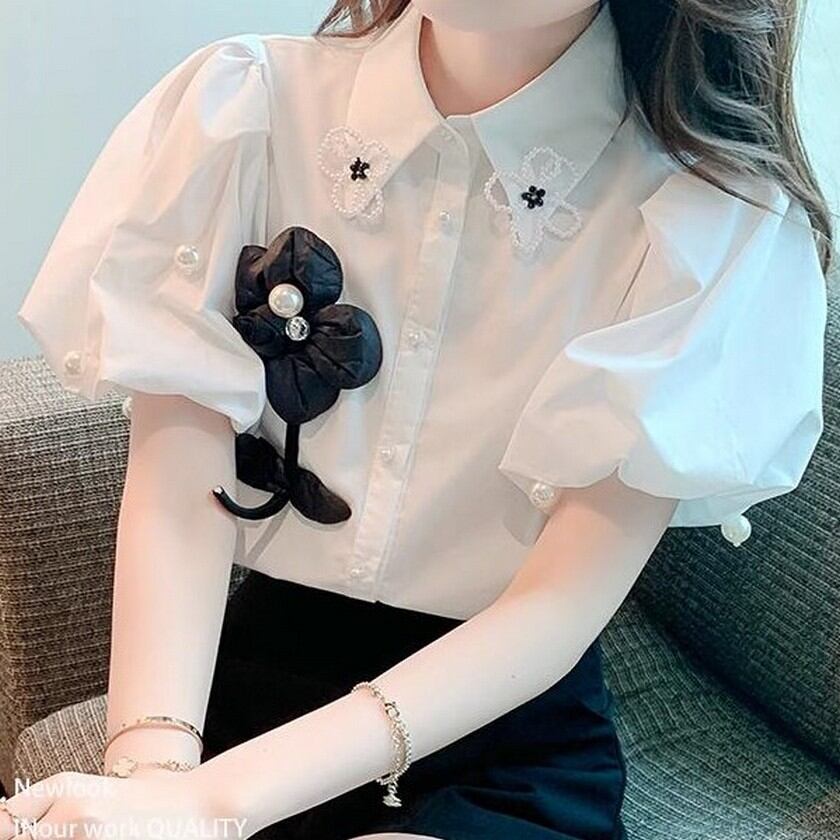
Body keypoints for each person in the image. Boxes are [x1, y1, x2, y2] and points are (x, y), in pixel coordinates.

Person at [4, 0, 831, 838]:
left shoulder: (704, 218)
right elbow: (183, 493)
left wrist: (210, 805)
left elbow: (554, 608)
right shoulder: (246, 110)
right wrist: (152, 773)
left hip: (499, 730)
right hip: (240, 690)